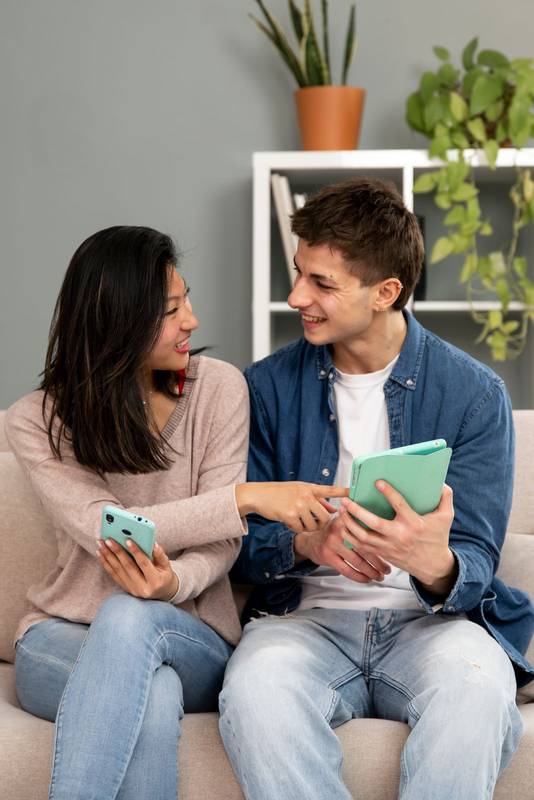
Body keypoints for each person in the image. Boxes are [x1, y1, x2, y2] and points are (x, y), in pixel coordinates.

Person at [5, 225, 346, 800]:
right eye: (170, 310)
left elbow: (221, 545)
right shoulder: (37, 419)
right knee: (151, 687)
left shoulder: (219, 390)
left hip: (191, 634)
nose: (191, 319)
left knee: (129, 616)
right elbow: (104, 526)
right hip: (59, 638)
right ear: (118, 322)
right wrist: (245, 498)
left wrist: (172, 584)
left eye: (186, 298)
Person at [219, 179, 534, 800]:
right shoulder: (264, 389)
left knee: (477, 689)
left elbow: (475, 559)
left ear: (386, 292)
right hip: (302, 620)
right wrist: (307, 543)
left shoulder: (474, 396)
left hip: (431, 626)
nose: (296, 297)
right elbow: (237, 543)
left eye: (322, 284)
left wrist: (432, 561)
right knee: (256, 692)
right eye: (298, 273)